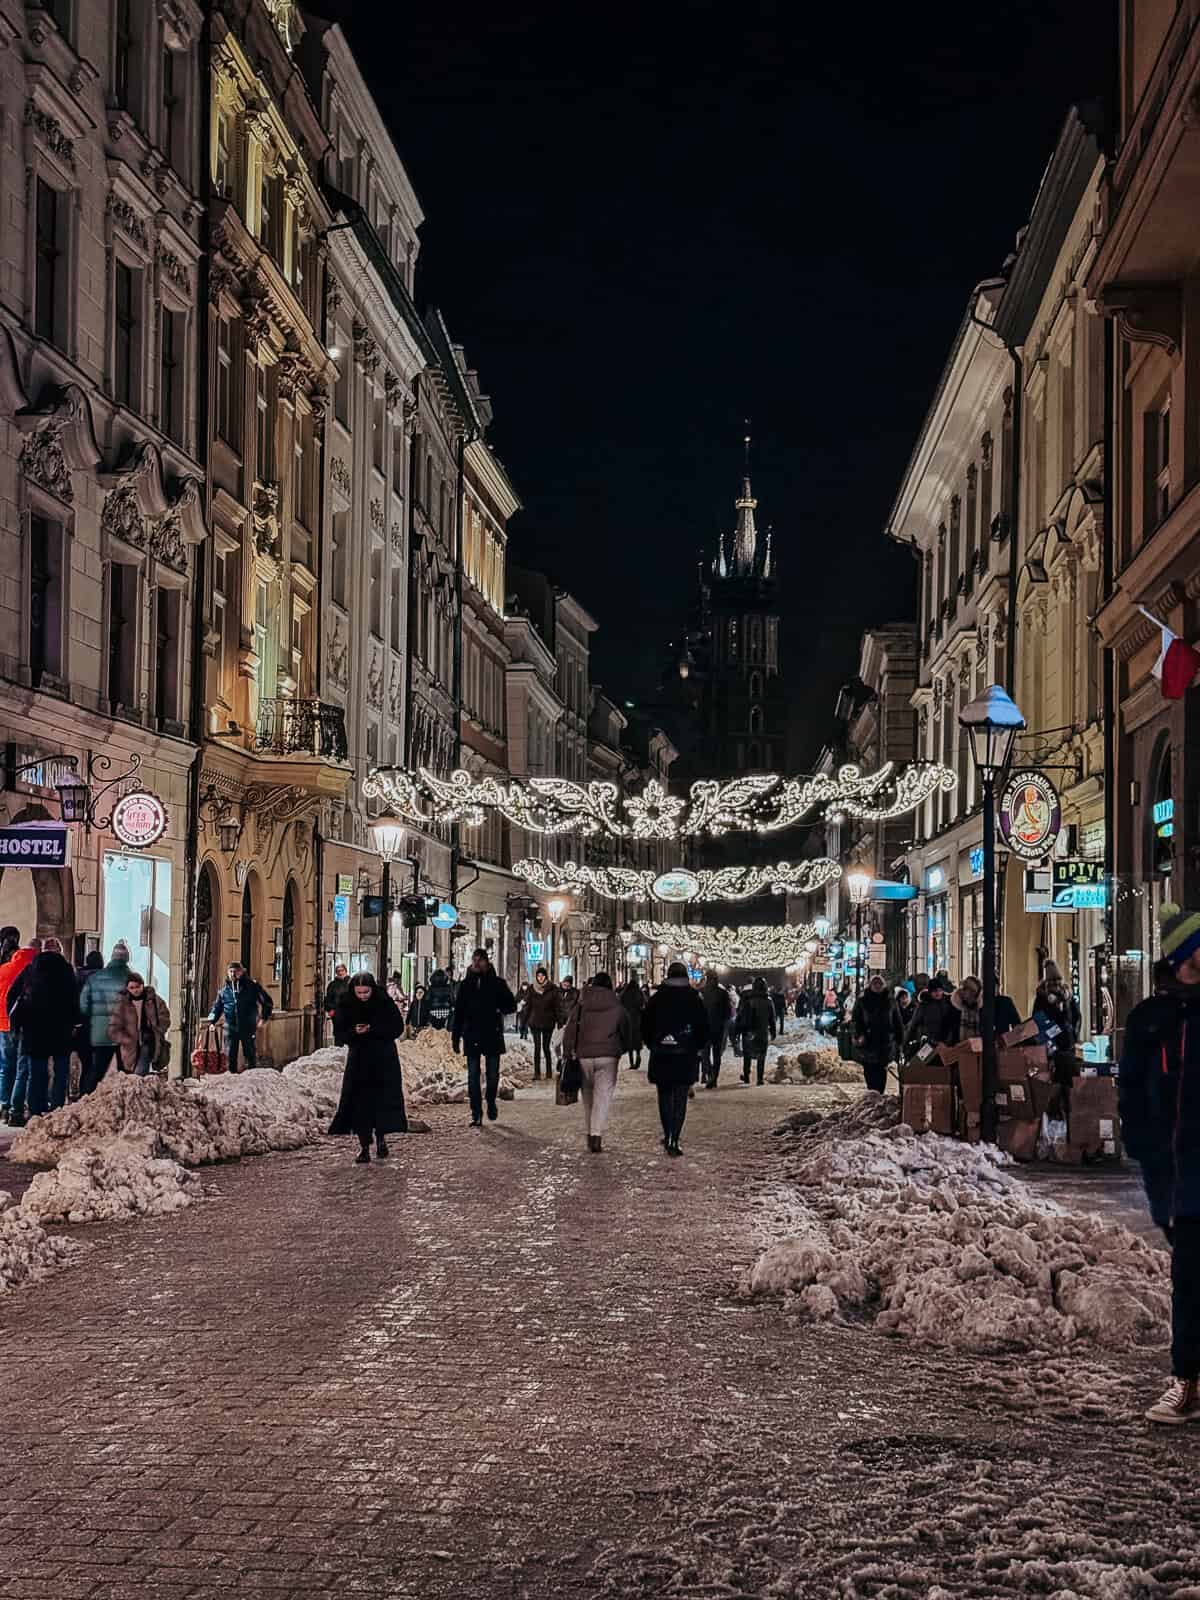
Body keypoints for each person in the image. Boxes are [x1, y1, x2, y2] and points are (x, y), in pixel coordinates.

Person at [1119, 901, 1200, 1423]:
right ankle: (1186, 1380)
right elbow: (1135, 1102)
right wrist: (1155, 1175)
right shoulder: (1152, 1019)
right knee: (1190, 1282)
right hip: (1182, 1178)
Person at [329, 972, 407, 1163]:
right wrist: (353, 1032)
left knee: (381, 1101)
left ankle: (381, 1138)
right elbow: (339, 1033)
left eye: (366, 992)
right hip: (359, 1061)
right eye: (359, 992)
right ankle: (364, 1145)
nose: (363, 996)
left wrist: (373, 1028)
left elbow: (397, 1027)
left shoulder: (384, 1002)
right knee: (359, 1103)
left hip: (383, 1059)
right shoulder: (347, 1004)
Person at [642, 961, 708, 1156]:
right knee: (680, 1098)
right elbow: (703, 1027)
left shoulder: (657, 999)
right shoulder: (694, 998)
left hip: (661, 1054)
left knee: (664, 1096)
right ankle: (674, 1138)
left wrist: (652, 1043)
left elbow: (645, 1024)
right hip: (685, 1055)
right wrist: (696, 1046)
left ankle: (668, 1131)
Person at [7, 937, 78, 1115]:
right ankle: (57, 1108)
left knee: (36, 1072)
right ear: (60, 951)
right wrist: (74, 1022)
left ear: (43, 950)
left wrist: (19, 1022)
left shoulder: (30, 969)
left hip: (34, 1029)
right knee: (61, 1071)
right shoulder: (67, 970)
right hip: (60, 1029)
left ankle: (34, 1110)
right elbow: (74, 999)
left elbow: (12, 995)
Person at [561, 972, 631, 1153]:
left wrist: (568, 1051)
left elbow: (570, 1029)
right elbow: (626, 1029)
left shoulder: (582, 1003)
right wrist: (622, 1048)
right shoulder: (616, 1005)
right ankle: (596, 1135)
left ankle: (589, 1133)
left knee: (588, 1096)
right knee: (603, 1096)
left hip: (584, 1055)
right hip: (608, 1056)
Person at [452, 948, 517, 1127]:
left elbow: (511, 1005)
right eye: (475, 960)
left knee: (492, 1075)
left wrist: (498, 1009)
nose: (478, 963)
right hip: (471, 1033)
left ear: (487, 962)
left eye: (481, 960)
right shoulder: (465, 985)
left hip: (492, 1033)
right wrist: (455, 1037)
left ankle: (490, 1101)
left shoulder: (497, 983)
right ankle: (476, 1113)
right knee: (473, 1076)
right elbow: (458, 1013)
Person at [78, 940, 132, 1094]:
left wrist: (95, 1018)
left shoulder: (95, 978)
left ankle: (85, 1100)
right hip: (124, 1032)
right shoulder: (132, 979)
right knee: (125, 1072)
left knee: (96, 1071)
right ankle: (125, 1104)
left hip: (100, 1032)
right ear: (126, 959)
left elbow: (83, 1005)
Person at [208, 960, 272, 1074]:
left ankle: (251, 1078)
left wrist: (264, 1017)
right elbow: (216, 1007)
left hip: (247, 1026)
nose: (233, 974)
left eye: (236, 971)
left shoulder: (252, 986)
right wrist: (212, 1022)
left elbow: (267, 1001)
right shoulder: (224, 991)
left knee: (250, 1055)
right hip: (230, 1028)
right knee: (230, 1056)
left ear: (242, 972)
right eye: (230, 971)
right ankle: (232, 1080)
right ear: (227, 973)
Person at [0, 933, 35, 1121]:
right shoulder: (31, 970)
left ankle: (4, 1105)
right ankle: (18, 1104)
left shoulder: (3, 970)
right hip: (23, 1025)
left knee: (6, 1066)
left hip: (2, 1023)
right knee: (24, 1067)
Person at [110, 971, 171, 1076]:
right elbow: (114, 1026)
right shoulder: (122, 1003)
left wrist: (157, 1030)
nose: (135, 990)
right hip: (128, 1046)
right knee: (128, 1074)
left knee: (140, 1074)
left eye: (137, 986)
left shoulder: (153, 999)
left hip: (147, 1041)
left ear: (142, 985)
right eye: (132, 988)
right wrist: (124, 1039)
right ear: (127, 988)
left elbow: (164, 1016)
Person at [851, 976, 903, 1094]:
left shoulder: (890, 1001)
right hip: (868, 1041)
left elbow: (897, 1021)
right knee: (869, 1070)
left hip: (885, 1042)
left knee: (881, 1071)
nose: (877, 986)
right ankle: (872, 1094)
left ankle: (878, 1095)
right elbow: (856, 1020)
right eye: (875, 984)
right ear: (870, 985)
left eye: (880, 984)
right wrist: (858, 1035)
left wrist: (899, 1041)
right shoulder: (863, 1001)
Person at [904, 974, 959, 1057]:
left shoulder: (949, 1002)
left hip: (947, 1044)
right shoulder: (924, 1005)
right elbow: (913, 1024)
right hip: (929, 1043)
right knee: (925, 1065)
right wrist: (906, 1043)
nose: (937, 993)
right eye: (934, 991)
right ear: (930, 992)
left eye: (939, 990)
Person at [735, 976, 776, 1085]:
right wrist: (773, 1032)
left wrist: (738, 1030)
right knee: (761, 1055)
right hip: (762, 1032)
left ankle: (747, 1076)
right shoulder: (768, 1001)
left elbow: (741, 1015)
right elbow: (772, 1018)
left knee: (747, 1055)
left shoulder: (748, 1000)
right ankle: (759, 1078)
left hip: (749, 1032)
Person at [523, 966, 560, 1079]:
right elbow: (528, 1006)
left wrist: (559, 1020)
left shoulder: (553, 989)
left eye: (542, 975)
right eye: (538, 976)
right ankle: (537, 1073)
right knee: (537, 1048)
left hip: (548, 1022)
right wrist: (524, 1021)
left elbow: (557, 1006)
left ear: (546, 976)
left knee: (546, 1047)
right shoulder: (531, 989)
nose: (540, 978)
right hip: (535, 1021)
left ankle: (549, 1072)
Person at [699, 971, 733, 1088]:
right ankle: (714, 1078)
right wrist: (723, 1022)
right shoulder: (722, 993)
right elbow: (728, 1012)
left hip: (704, 1028)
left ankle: (709, 1074)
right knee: (716, 1054)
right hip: (718, 1028)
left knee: (705, 1053)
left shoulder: (701, 992)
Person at [619, 976, 646, 1069]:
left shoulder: (624, 993)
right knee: (637, 1040)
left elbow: (620, 1004)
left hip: (627, 1019)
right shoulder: (639, 993)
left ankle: (631, 1062)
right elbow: (644, 1005)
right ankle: (638, 1054)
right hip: (637, 1019)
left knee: (629, 1041)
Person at [951, 975, 984, 1041]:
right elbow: (950, 1028)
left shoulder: (981, 1009)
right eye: (964, 988)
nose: (963, 991)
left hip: (978, 1046)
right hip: (958, 1047)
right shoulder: (954, 1006)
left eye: (972, 991)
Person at [323, 964, 351, 1034]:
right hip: (336, 1013)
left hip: (349, 1012)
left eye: (342, 970)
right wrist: (330, 1009)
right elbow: (328, 999)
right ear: (336, 972)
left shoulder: (351, 983)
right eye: (338, 971)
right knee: (338, 1033)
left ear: (346, 971)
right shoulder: (332, 985)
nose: (340, 973)